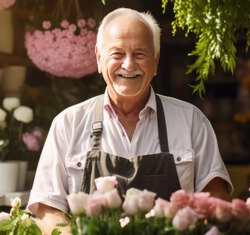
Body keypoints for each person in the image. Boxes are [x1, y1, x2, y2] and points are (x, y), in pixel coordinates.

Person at [27, 7, 232, 233]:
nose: (129, 65)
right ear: (98, 57)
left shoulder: (191, 121)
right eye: (117, 53)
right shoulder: (68, 124)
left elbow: (217, 200)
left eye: (140, 54)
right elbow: (47, 209)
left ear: (155, 60)